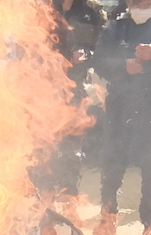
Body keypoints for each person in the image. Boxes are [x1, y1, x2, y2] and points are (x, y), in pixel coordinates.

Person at [92, 0, 151, 235]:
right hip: (119, 104)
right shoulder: (115, 26)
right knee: (113, 164)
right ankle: (107, 218)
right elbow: (100, 61)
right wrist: (124, 66)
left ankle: (150, 222)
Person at [47, 0, 107, 196]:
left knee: (71, 147)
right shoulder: (42, 7)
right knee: (42, 146)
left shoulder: (92, 12)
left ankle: (68, 194)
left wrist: (86, 54)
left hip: (74, 86)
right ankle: (43, 195)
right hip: (42, 89)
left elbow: (104, 48)